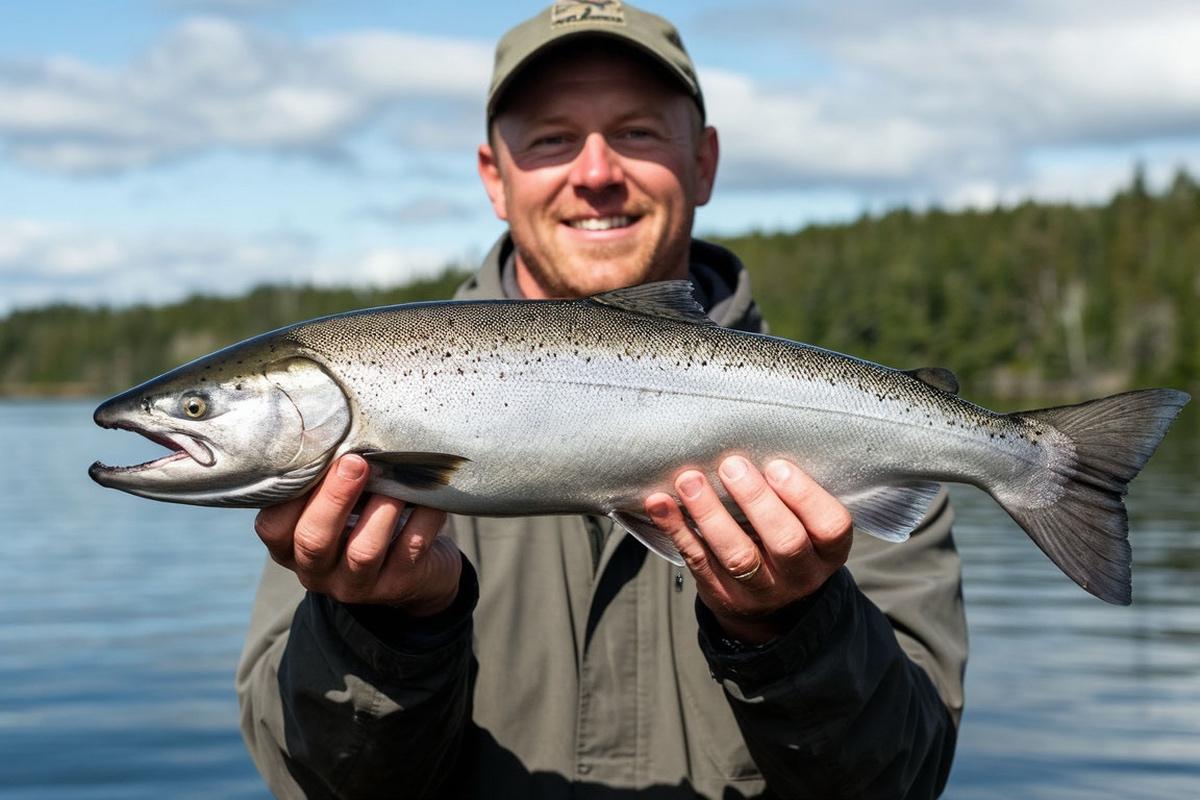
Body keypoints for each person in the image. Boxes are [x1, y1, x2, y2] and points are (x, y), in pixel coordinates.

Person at [237, 3, 967, 798]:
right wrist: (381, 629)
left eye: (638, 133)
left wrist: (793, 630)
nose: (595, 173)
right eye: (552, 138)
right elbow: (306, 781)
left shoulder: (861, 431)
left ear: (704, 162)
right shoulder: (361, 419)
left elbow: (903, 783)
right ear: (494, 176)